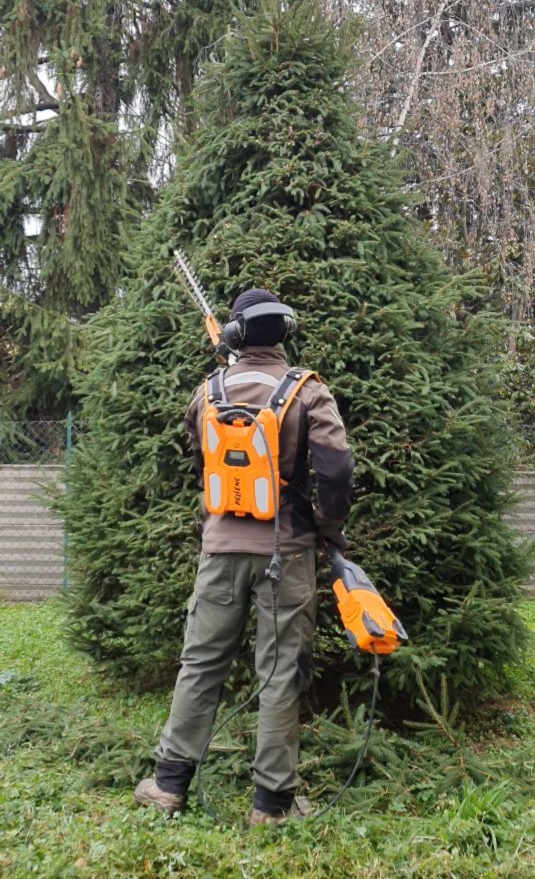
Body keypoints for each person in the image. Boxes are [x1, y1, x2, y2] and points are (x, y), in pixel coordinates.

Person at [134, 288, 354, 825]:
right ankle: (273, 805)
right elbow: (336, 470)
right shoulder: (308, 392)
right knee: (280, 673)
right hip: (288, 554)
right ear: (286, 332)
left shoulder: (207, 390)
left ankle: (168, 784)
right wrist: (325, 530)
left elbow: (200, 459)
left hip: (220, 550)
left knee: (201, 663)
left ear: (235, 336)